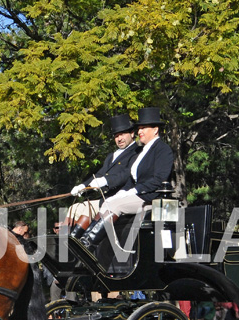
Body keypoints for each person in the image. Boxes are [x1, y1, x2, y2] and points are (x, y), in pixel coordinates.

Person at [78, 107, 175, 252]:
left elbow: (159, 179)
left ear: (155, 129)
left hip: (151, 196)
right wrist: (122, 192)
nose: (139, 132)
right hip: (138, 194)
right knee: (108, 202)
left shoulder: (163, 149)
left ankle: (87, 244)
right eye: (139, 128)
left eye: (143, 128)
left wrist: (133, 191)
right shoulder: (143, 151)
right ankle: (90, 244)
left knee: (114, 206)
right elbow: (132, 177)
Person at [68, 113, 140, 238]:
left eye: (122, 134)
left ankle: (76, 242)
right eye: (116, 136)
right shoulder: (111, 156)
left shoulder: (137, 152)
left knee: (87, 209)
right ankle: (63, 242)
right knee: (73, 208)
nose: (119, 139)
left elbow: (126, 174)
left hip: (119, 196)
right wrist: (83, 186)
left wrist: (106, 181)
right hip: (105, 197)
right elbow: (99, 174)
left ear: (132, 134)